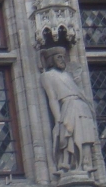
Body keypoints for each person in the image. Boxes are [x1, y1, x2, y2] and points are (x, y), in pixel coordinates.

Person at [40, 46, 99, 174]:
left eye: (63, 57)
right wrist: (58, 119)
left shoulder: (69, 74)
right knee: (68, 132)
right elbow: (52, 98)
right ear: (51, 60)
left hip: (81, 105)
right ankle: (66, 163)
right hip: (67, 105)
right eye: (59, 57)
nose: (62, 60)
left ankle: (86, 163)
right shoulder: (48, 75)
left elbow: (78, 90)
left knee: (86, 133)